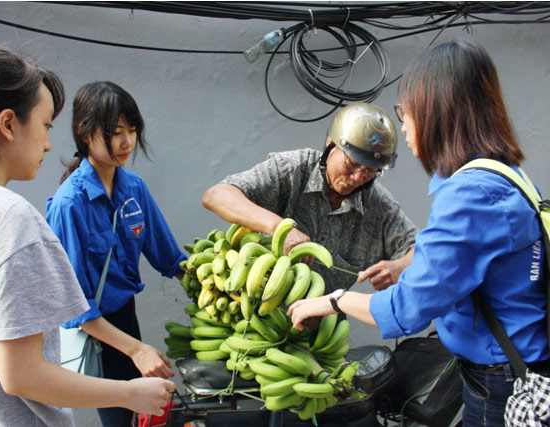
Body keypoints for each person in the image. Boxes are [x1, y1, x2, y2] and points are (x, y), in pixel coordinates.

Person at [287, 40, 549, 426]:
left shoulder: (471, 194)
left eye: (404, 112)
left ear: (435, 111)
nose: (405, 126)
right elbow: (460, 269)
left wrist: (334, 301)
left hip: (502, 380)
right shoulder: (503, 174)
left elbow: (407, 310)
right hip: (513, 363)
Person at [0, 47, 174, 427]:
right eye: (46, 125)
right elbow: (21, 376)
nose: (49, 144)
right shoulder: (8, 218)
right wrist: (130, 393)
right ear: (7, 124)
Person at [46, 81, 187, 427]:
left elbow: (170, 259)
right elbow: (74, 306)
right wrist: (136, 350)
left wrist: (216, 287)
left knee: (140, 417)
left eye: (133, 130)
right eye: (115, 132)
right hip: (95, 331)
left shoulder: (133, 188)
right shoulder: (70, 204)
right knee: (121, 420)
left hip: (126, 319)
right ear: (84, 132)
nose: (127, 142)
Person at [202, 102, 418, 293]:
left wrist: (401, 266)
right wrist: (279, 228)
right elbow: (217, 195)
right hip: (255, 305)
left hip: (322, 330)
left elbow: (423, 248)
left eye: (370, 171)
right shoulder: (292, 170)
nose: (357, 177)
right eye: (351, 164)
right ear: (330, 144)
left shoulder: (379, 207)